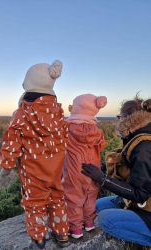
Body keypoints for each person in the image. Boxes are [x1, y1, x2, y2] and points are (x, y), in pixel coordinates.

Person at [0, 60, 70, 250]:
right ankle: (62, 233)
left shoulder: (22, 113)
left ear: (28, 86)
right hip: (56, 167)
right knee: (56, 196)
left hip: (33, 169)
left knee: (35, 203)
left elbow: (12, 140)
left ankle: (38, 240)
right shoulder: (58, 112)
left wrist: (6, 165)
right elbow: (64, 137)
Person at [81, 93, 151, 246]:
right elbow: (127, 164)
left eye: (119, 117)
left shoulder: (144, 148)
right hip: (144, 202)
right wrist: (101, 169)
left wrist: (101, 178)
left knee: (106, 219)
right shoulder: (140, 137)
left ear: (127, 120)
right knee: (98, 205)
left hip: (147, 207)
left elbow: (140, 194)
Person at [61, 93, 108, 239]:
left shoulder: (67, 128)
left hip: (74, 169)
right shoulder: (97, 132)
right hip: (94, 170)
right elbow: (101, 147)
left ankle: (75, 229)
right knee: (91, 195)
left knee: (74, 196)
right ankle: (89, 223)